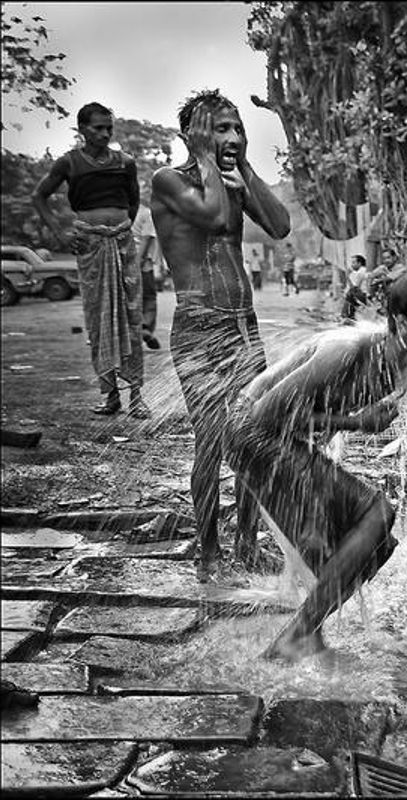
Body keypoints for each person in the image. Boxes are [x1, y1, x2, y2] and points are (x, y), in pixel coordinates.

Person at [225, 271, 407, 660]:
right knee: (376, 514)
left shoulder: (406, 367)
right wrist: (356, 422)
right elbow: (268, 415)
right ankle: (299, 634)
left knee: (363, 549)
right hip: (252, 430)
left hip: (280, 438)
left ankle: (305, 634)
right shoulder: (346, 350)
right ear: (402, 324)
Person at [151, 89, 291, 583]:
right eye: (220, 129)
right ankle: (209, 555)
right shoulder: (169, 181)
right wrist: (210, 161)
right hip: (197, 330)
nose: (231, 137)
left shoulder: (231, 180)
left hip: (242, 329)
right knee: (210, 443)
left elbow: (279, 225)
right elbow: (211, 217)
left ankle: (248, 546)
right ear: (193, 135)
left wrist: (247, 173)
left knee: (254, 439)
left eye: (237, 128)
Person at [32, 102, 149, 417]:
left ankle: (137, 395)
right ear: (82, 129)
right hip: (91, 249)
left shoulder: (126, 162)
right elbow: (38, 196)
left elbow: (134, 203)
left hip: (122, 243)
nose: (105, 133)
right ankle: (110, 395)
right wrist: (60, 234)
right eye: (98, 127)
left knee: (131, 317)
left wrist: (119, 230)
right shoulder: (68, 163)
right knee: (99, 320)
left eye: (109, 127)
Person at [131, 206, 161, 350]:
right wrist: (138, 260)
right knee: (148, 296)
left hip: (123, 260)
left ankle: (130, 331)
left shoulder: (124, 211)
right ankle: (145, 328)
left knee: (130, 296)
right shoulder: (145, 213)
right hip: (142, 262)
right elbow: (146, 238)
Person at [341, 254, 370, 320]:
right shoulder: (360, 271)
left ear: (359, 263)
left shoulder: (361, 272)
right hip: (360, 295)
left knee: (349, 295)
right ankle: (348, 316)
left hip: (361, 295)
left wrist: (347, 276)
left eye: (353, 262)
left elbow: (354, 288)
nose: (351, 265)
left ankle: (346, 316)